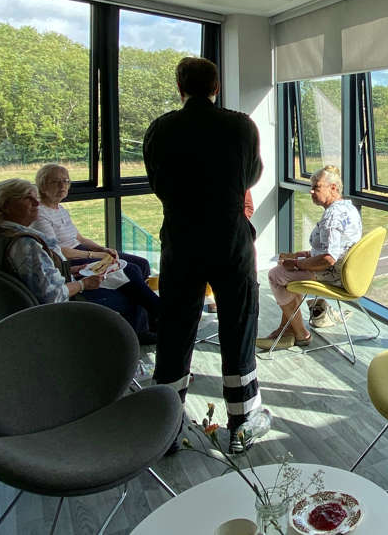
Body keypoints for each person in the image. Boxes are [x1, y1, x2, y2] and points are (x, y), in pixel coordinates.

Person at [143, 56, 267, 452]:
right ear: (216, 87)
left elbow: (156, 180)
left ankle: (167, 426)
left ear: (180, 88)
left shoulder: (162, 129)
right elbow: (251, 176)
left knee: (176, 329)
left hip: (181, 241)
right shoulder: (240, 126)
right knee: (238, 327)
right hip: (230, 242)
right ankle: (242, 423)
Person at [32, 163, 161, 344]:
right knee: (131, 270)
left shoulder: (59, 209)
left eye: (66, 181)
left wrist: (102, 249)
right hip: (68, 261)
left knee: (142, 264)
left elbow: (80, 238)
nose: (62, 186)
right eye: (56, 182)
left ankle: (147, 319)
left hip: (81, 251)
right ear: (42, 185)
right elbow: (58, 252)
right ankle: (154, 317)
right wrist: (95, 256)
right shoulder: (40, 214)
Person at [258, 165, 362, 350]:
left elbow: (329, 258)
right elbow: (332, 249)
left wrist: (297, 264)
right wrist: (301, 255)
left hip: (332, 275)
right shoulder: (348, 208)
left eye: (317, 187)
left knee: (275, 275)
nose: (311, 191)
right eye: (311, 187)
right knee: (286, 274)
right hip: (346, 272)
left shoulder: (332, 217)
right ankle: (286, 328)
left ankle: (301, 333)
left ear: (333, 188)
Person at [0, 178, 104, 304]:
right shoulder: (24, 244)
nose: (37, 203)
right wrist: (84, 284)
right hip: (53, 316)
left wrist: (68, 271)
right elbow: (53, 296)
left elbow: (27, 276)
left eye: (36, 197)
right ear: (5, 206)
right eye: (27, 198)